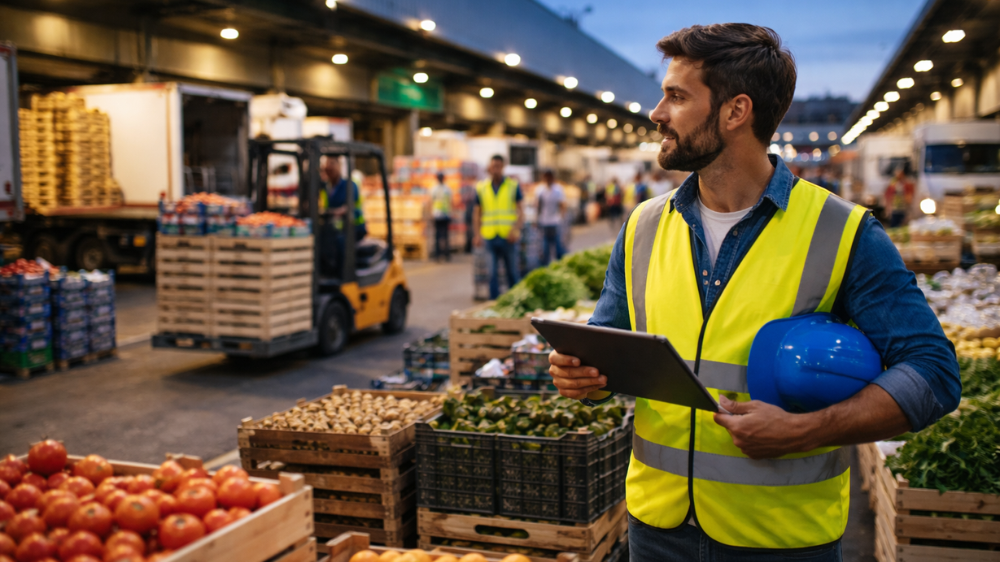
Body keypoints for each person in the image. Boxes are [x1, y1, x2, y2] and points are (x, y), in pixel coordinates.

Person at [547, 23, 960, 562]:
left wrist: (808, 430)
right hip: (656, 528)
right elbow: (609, 338)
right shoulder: (644, 225)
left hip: (781, 538)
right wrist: (584, 374)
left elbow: (933, 372)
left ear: (735, 112)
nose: (656, 112)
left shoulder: (843, 232)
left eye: (676, 96)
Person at [474, 154, 524, 299]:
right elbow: (476, 214)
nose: (495, 169)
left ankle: (515, 302)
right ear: (490, 167)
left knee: (512, 273)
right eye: (493, 166)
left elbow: (521, 212)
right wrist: (477, 234)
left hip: (508, 237)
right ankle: (494, 304)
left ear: (503, 167)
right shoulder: (482, 187)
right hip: (489, 236)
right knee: (491, 274)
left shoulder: (512, 185)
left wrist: (515, 230)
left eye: (498, 166)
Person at [319, 156, 366, 275]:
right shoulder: (325, 187)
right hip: (335, 227)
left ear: (339, 166)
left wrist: (335, 212)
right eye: (327, 165)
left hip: (354, 227)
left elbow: (348, 206)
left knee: (339, 243)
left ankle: (342, 276)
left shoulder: (349, 185)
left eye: (332, 164)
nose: (329, 167)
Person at [536, 170, 567, 266]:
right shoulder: (540, 190)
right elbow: (538, 205)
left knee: (558, 248)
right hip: (544, 222)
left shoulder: (558, 190)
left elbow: (562, 205)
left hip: (555, 222)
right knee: (545, 249)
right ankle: (545, 266)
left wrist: (561, 218)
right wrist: (537, 218)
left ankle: (560, 265)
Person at [431, 173, 452, 262]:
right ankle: (446, 254)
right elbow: (451, 202)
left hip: (437, 215)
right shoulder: (447, 189)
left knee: (437, 236)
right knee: (445, 236)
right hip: (445, 215)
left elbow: (430, 201)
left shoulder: (434, 189)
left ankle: (438, 254)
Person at [460, 178, 478, 253]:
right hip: (469, 215)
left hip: (471, 215)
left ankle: (470, 247)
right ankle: (469, 247)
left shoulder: (473, 192)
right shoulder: (471, 191)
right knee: (469, 232)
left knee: (471, 232)